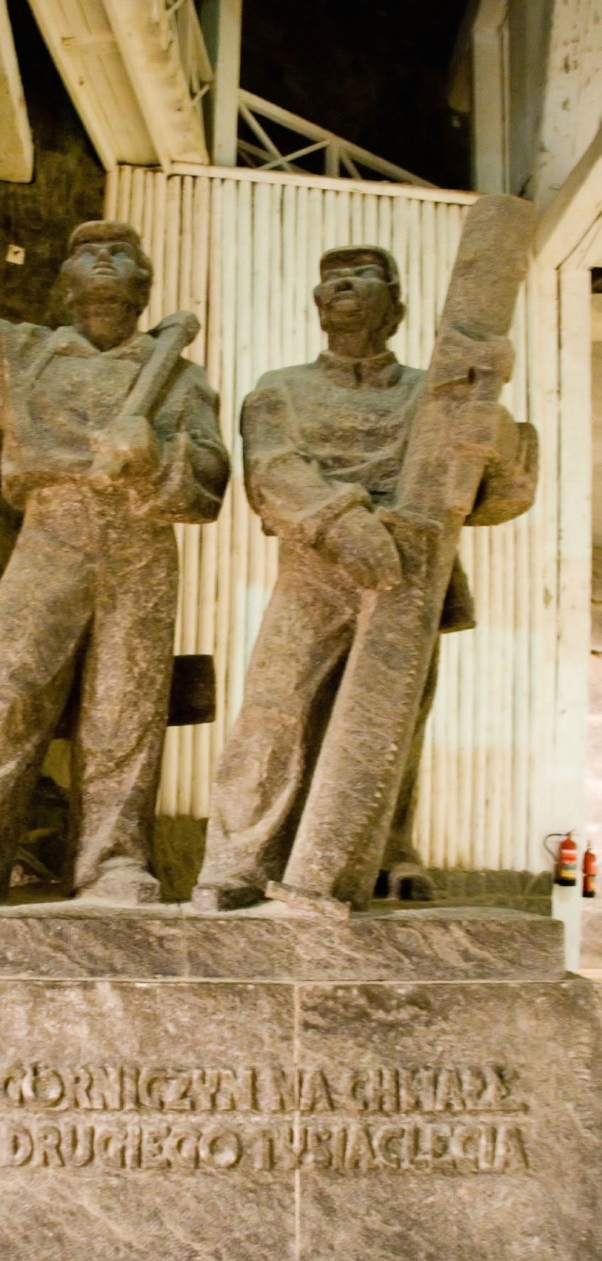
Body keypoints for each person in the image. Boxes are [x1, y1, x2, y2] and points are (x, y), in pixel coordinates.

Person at [0, 155, 229, 907]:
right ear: (63, 284)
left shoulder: (179, 378)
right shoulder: (26, 355)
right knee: (7, 683)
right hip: (53, 530)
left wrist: (154, 458)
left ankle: (113, 862)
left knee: (127, 702)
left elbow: (207, 482)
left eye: (120, 254)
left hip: (139, 540)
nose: (103, 261)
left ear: (143, 286)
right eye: (87, 253)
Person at [194, 244, 537, 911]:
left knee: (393, 721)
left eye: (363, 275)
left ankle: (384, 853)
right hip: (314, 568)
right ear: (318, 306)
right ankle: (239, 860)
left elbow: (495, 498)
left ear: (396, 307)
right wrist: (343, 523)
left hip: (412, 576)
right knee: (273, 711)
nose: (344, 284)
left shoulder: (437, 393)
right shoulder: (280, 388)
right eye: (331, 279)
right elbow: (271, 470)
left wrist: (491, 434)